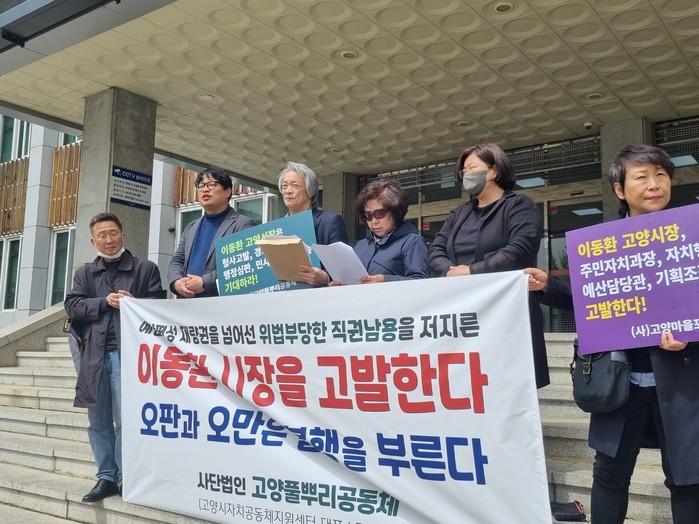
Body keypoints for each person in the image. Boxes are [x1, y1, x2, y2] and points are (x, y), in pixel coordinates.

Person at [526, 144, 699, 523]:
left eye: (661, 175)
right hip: (619, 380)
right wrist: (547, 286)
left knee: (687, 480)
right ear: (620, 189)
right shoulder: (605, 246)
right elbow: (590, 300)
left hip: (681, 381)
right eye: (642, 177)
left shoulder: (691, 236)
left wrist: (692, 333)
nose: (654, 185)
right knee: (609, 476)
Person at [427, 143, 549, 388]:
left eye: (472, 168)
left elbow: (519, 251)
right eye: (463, 171)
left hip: (506, 312)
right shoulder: (459, 214)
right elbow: (434, 251)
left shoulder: (519, 205)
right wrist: (452, 272)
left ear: (494, 171)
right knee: (468, 383)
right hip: (464, 312)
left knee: (508, 385)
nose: (466, 175)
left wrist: (472, 271)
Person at [64, 213, 165, 502]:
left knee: (127, 420)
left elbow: (160, 305)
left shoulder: (145, 268)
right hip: (94, 357)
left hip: (129, 356)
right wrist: (103, 302)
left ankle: (125, 476)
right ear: (92, 241)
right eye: (102, 235)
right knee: (97, 421)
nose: (109, 240)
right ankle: (106, 476)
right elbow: (72, 305)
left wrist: (136, 304)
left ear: (123, 235)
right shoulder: (85, 273)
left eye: (113, 233)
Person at [168, 166, 254, 298]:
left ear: (227, 191)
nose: (205, 189)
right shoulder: (191, 227)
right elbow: (177, 260)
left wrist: (205, 282)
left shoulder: (242, 224)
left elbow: (242, 266)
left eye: (211, 184)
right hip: (187, 302)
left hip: (219, 303)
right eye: (201, 185)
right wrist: (176, 282)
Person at [331, 178, 428, 284]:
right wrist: (343, 285)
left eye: (380, 213)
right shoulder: (361, 245)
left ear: (395, 211)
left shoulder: (412, 241)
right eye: (367, 215)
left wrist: (384, 280)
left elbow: (420, 282)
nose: (374, 221)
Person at [278, 161, 349, 286]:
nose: (288, 191)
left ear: (310, 191)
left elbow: (344, 268)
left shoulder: (330, 222)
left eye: (294, 185)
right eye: (284, 186)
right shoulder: (277, 228)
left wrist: (325, 277)